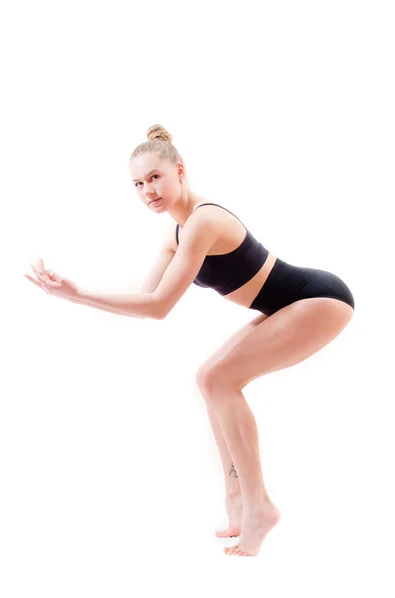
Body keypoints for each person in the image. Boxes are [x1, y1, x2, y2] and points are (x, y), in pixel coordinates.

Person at [25, 124, 355, 557]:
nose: (148, 190)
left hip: (320, 299)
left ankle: (259, 506)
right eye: (138, 184)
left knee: (220, 379)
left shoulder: (204, 221)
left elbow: (160, 306)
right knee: (210, 378)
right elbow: (145, 300)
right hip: (292, 304)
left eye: (155, 178)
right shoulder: (176, 234)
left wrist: (78, 294)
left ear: (179, 171)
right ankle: (237, 501)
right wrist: (75, 294)